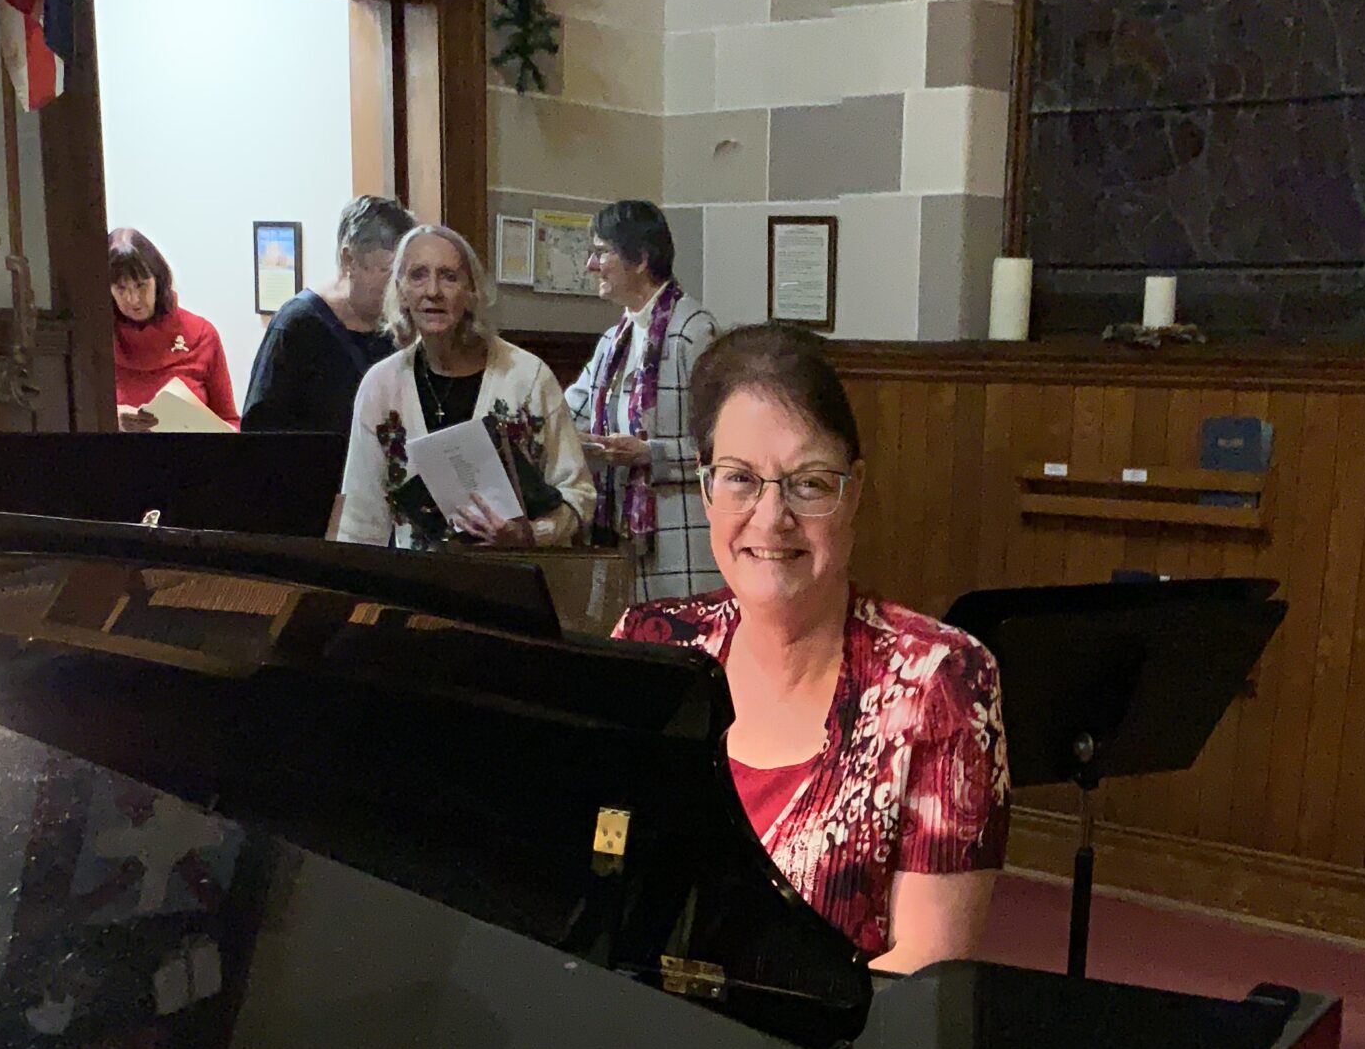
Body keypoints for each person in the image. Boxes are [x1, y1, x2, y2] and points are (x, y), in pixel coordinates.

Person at [614, 325, 1009, 973]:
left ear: (854, 490)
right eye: (740, 479)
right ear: (706, 488)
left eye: (810, 483)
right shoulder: (649, 645)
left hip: (843, 1037)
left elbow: (928, 966)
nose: (772, 518)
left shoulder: (939, 681)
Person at [337, 223, 594, 549]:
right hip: (418, 577)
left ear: (471, 291)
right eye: (418, 275)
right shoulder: (381, 386)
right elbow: (360, 521)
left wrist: (530, 534)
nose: (433, 291)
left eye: (448, 276)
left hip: (517, 573)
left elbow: (579, 494)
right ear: (401, 290)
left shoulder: (526, 378)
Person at [564, 200, 717, 600]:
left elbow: (725, 449)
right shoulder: (614, 340)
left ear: (641, 259)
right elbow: (566, 414)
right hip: (622, 532)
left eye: (601, 252)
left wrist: (650, 453)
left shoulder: (692, 332)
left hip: (680, 535)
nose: (591, 265)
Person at [242, 194, 414, 435]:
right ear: (349, 259)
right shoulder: (296, 326)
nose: (401, 286)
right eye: (390, 271)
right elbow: (259, 431)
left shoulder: (402, 325)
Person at [109, 229, 237, 427]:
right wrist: (110, 420)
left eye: (141, 285)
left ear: (158, 280)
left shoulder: (201, 334)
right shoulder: (96, 341)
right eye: (121, 288)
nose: (133, 299)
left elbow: (231, 421)